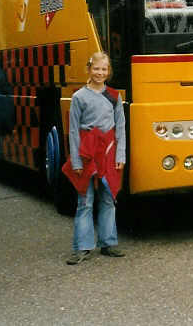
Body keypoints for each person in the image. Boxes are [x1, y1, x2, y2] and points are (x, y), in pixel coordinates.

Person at [63, 51, 126, 265]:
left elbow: (121, 129)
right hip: (86, 152)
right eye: (96, 68)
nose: (100, 73)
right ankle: (82, 247)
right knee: (85, 200)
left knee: (108, 198)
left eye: (104, 69)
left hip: (108, 152)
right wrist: (77, 161)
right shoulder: (79, 96)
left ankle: (108, 243)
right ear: (89, 69)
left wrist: (120, 155)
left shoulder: (115, 96)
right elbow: (73, 131)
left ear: (109, 72)